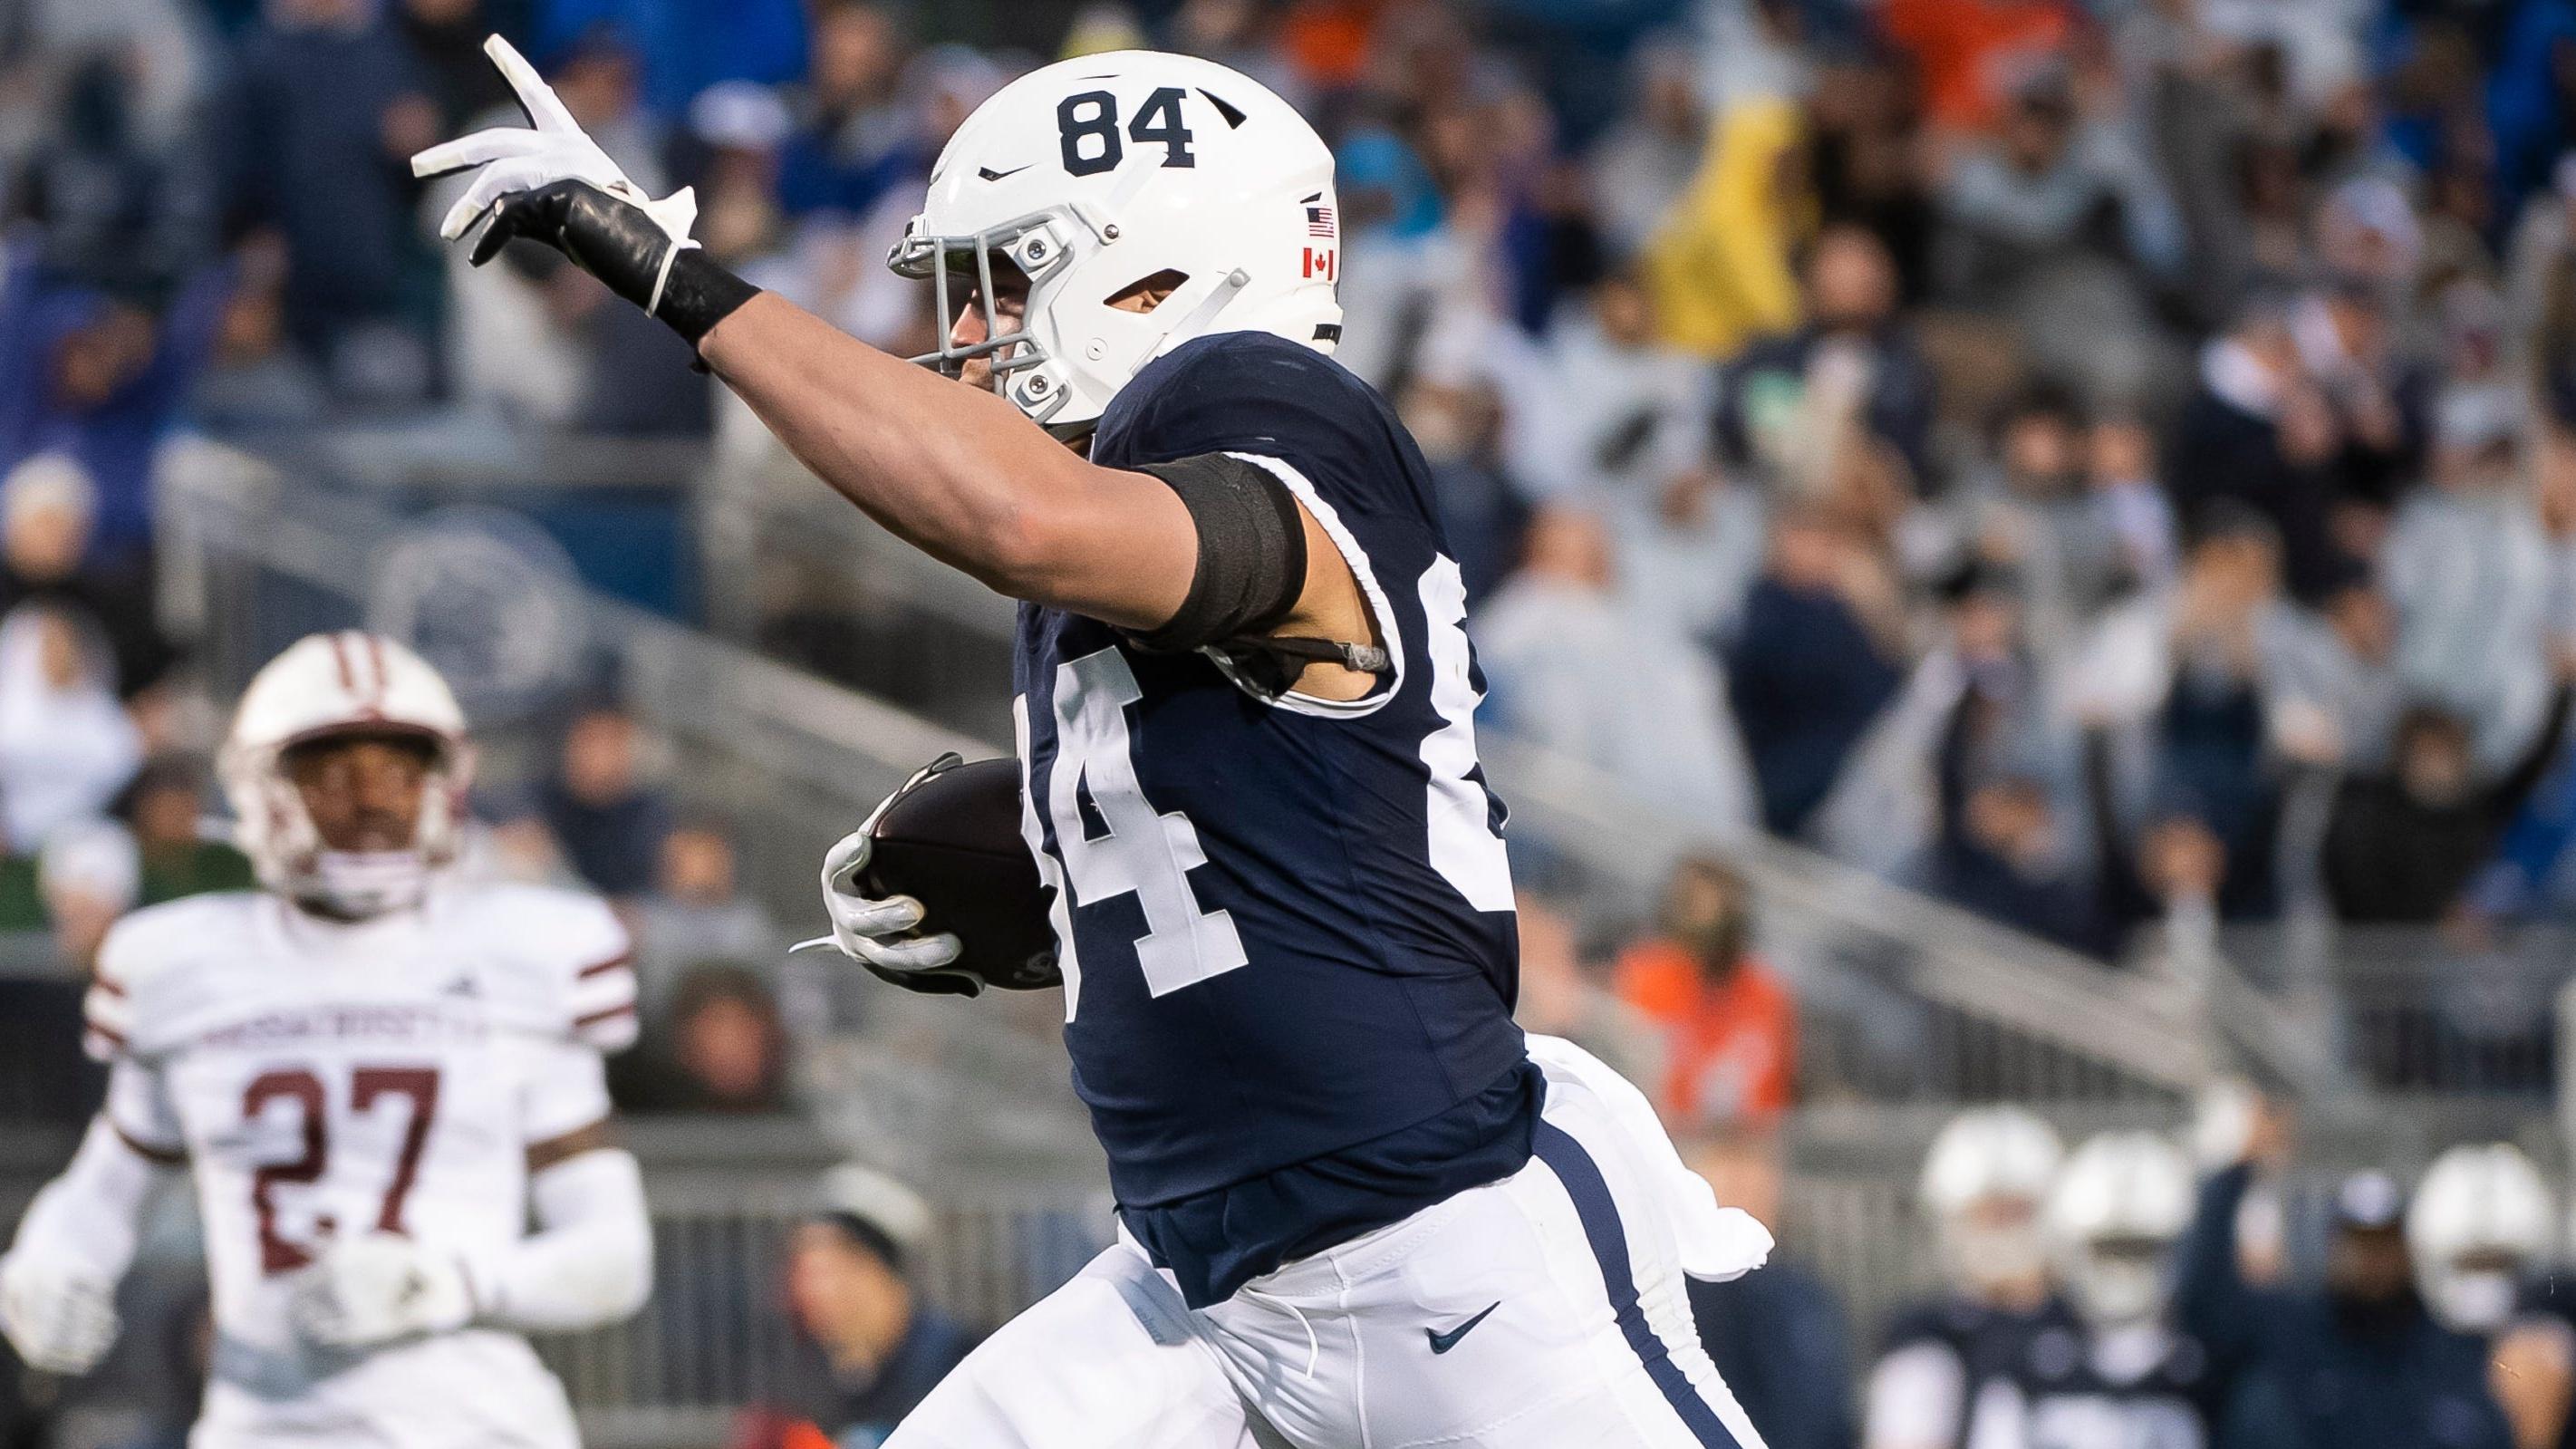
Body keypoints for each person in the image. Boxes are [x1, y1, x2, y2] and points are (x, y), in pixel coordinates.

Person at [418, 40, 1773, 1447]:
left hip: (1451, 1246)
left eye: (1009, 277)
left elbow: (1027, 523)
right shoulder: (1114, 508)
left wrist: (674, 281)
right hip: (1199, 1282)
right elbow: (1271, 825)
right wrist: (1052, 867)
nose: (974, 329)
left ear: (1155, 262)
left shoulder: (1265, 408)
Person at [0, 631, 653, 1447]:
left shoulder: (524, 952)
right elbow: (103, 1193)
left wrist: (447, 1283)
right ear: (260, 785)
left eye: (398, 771)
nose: (373, 802)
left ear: (444, 784)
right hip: (261, 1423)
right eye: (334, 774)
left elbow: (615, 1254)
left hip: (475, 1425)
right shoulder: (185, 964)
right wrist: (40, 1268)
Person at [2171, 1097, 2511, 1449]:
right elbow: (2206, 1308)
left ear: (2408, 1249)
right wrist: (2236, 1170)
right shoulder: (2295, 1331)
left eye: (2384, 1243)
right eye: (2358, 1243)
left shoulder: (2449, 1350)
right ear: (2333, 1248)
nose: (2372, 1259)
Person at [1865, 1106, 2072, 1449]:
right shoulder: (1928, 1339)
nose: (2002, 1233)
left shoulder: (2081, 1327)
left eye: (2016, 1213)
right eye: (1988, 1216)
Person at [737, 1164, 979, 1448]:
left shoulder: (954, 1363)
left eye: (837, 1270)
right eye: (807, 1272)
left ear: (886, 1274)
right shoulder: (795, 1383)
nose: (819, 1290)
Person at [2031, 1132, 2220, 1446]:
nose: (2123, 1270)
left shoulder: (2211, 1361)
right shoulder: (2030, 1357)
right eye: (2110, 1250)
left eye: (2139, 1250)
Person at [1614, 855, 1798, 1130]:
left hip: (1739, 1153)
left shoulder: (1766, 994)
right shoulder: (1645, 978)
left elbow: (1774, 1104)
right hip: (1660, 1140)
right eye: (1689, 906)